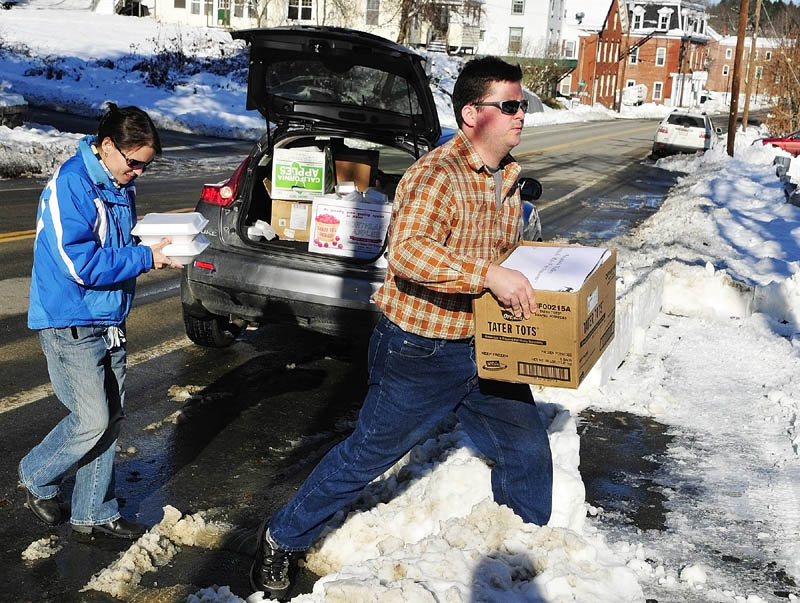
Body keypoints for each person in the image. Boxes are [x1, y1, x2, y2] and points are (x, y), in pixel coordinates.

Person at [250, 56, 553, 599]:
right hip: (421, 349)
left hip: (483, 344)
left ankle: (517, 558)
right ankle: (282, 536)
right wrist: (487, 274)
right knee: (367, 454)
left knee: (526, 449)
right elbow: (410, 254)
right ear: (471, 114)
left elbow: (503, 255)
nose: (519, 115)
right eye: (508, 106)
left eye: (522, 105)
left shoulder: (508, 178)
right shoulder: (435, 175)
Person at [18, 103, 182, 540]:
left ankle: (94, 512)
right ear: (107, 146)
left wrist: (152, 239)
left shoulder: (118, 184)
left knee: (110, 418)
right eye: (135, 164)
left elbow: (116, 240)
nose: (139, 174)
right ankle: (35, 475)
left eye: (145, 167)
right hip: (70, 319)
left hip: (109, 318)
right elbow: (80, 263)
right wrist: (145, 257)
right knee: (91, 418)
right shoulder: (71, 184)